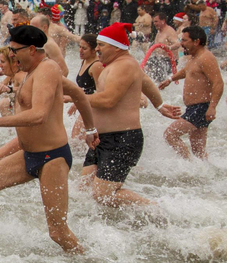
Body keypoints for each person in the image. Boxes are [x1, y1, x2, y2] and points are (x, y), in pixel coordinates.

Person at [0, 25, 98, 254]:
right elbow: (78, 94)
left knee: (57, 232)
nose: (10, 54)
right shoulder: (28, 72)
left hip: (52, 158)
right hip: (28, 155)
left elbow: (39, 115)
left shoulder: (48, 69)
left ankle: (89, 259)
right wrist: (90, 128)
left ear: (30, 50)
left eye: (13, 50)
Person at [77, 22, 180, 207]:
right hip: (103, 138)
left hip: (121, 140)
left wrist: (76, 97)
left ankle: (155, 209)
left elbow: (109, 100)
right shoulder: (117, 64)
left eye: (101, 45)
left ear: (116, 47)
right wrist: (160, 104)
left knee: (103, 194)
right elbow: (146, 81)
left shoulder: (123, 65)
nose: (97, 48)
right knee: (83, 189)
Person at [159, 26, 223, 160]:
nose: (181, 43)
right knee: (198, 150)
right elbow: (187, 71)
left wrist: (212, 107)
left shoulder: (206, 58)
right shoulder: (194, 57)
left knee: (170, 134)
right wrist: (170, 79)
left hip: (201, 108)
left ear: (196, 41)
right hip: (195, 107)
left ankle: (188, 165)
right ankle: (204, 172)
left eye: (184, 40)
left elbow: (218, 83)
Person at [67, 34, 103, 141]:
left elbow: (100, 92)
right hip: (86, 104)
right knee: (76, 139)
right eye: (79, 47)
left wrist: (77, 100)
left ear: (93, 50)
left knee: (77, 139)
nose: (80, 50)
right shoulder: (84, 61)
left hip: (94, 107)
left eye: (84, 48)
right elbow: (84, 89)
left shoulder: (96, 66)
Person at [145, 12, 180, 82]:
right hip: (159, 59)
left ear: (163, 21)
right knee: (146, 67)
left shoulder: (169, 31)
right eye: (154, 22)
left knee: (158, 78)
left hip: (169, 61)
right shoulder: (159, 31)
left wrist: (170, 47)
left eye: (156, 21)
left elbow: (178, 44)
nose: (154, 24)